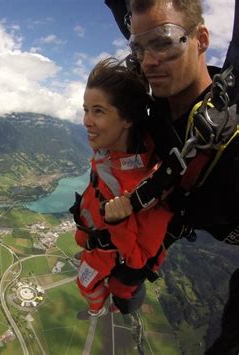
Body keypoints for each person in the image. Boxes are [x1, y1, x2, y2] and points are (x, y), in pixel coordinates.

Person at [103, 0, 239, 353]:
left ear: (202, 39)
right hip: (175, 212)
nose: (149, 61)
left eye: (163, 43)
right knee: (124, 286)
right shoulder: (156, 103)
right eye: (139, 49)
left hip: (220, 213)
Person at [71, 58, 173, 322]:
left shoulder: (148, 190)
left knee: (90, 286)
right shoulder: (111, 148)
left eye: (98, 111)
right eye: (86, 110)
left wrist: (120, 220)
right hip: (92, 238)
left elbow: (138, 259)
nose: (86, 121)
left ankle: (100, 309)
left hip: (113, 258)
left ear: (127, 119)